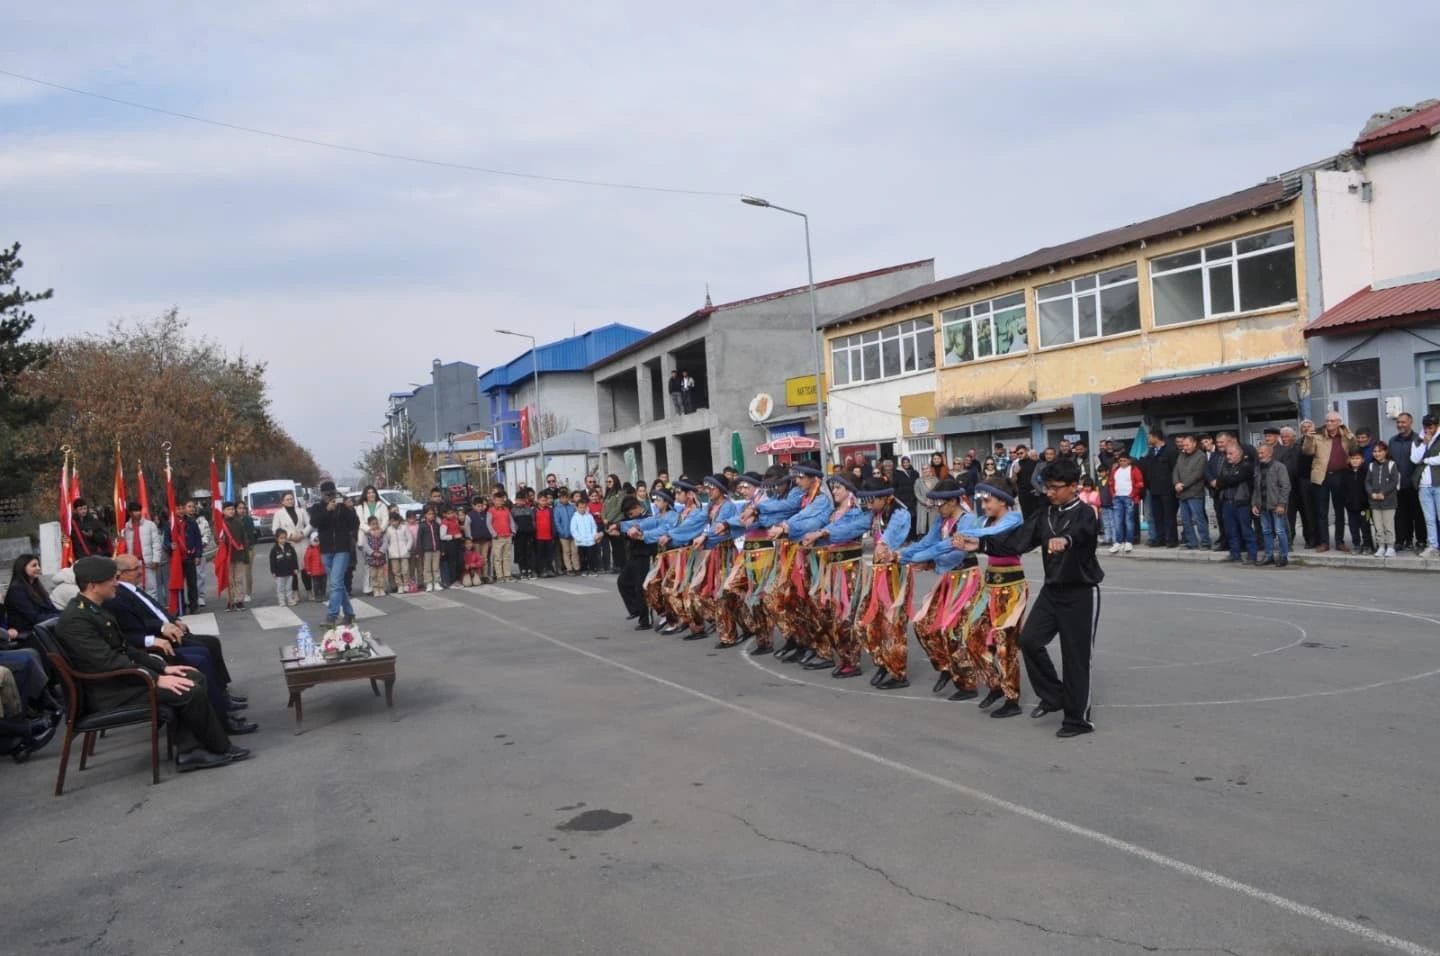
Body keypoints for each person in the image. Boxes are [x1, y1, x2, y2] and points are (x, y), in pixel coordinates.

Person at [56, 556, 247, 771]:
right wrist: (156, 679)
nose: (116, 583)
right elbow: (109, 662)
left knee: (193, 676)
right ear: (93, 585)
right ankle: (207, 749)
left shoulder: (94, 609)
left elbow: (126, 648)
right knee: (188, 689)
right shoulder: (77, 619)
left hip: (123, 681)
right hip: (110, 691)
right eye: (111, 579)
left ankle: (193, 748)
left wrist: (163, 668)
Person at [959, 457, 1103, 738]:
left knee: (1075, 657)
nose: (1049, 492)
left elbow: (1083, 533)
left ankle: (1077, 719)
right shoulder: (1045, 513)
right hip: (1052, 591)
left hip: (1079, 592)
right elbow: (1018, 540)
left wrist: (1066, 541)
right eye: (1046, 487)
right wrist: (981, 544)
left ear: (1073, 486)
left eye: (1055, 487)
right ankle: (1053, 696)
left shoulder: (1084, 512)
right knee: (1030, 641)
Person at [106, 554, 256, 735]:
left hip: (163, 635)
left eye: (140, 567)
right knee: (201, 655)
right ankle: (221, 716)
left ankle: (221, 696)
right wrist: (160, 631)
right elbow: (135, 628)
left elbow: (156, 611)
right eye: (135, 569)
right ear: (120, 574)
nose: (140, 572)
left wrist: (173, 620)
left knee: (211, 644)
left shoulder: (133, 590)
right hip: (154, 646)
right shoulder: (117, 597)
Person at [900, 478, 994, 699]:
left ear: (953, 501)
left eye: (940, 504)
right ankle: (947, 667)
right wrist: (903, 554)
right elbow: (928, 543)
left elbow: (955, 552)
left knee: (953, 631)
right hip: (947, 580)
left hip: (965, 580)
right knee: (923, 625)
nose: (937, 508)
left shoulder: (967, 520)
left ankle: (967, 684)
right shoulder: (941, 521)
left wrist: (927, 559)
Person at [958, 484, 1028, 718]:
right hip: (990, 587)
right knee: (971, 635)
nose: (985, 506)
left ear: (1003, 501)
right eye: (983, 502)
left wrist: (972, 538)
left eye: (989, 501)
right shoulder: (985, 522)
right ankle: (995, 684)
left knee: (1004, 644)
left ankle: (1012, 699)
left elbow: (989, 539)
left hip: (1010, 588)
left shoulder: (1014, 520)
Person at [799, 474, 870, 677]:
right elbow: (815, 525)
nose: (835, 491)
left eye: (839, 488)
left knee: (844, 615)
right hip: (829, 569)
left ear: (850, 490)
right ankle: (830, 652)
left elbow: (846, 530)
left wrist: (822, 534)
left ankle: (851, 660)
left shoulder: (858, 513)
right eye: (833, 488)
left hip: (848, 570)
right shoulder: (832, 512)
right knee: (823, 610)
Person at [766, 465, 834, 664]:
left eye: (801, 478)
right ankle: (805, 642)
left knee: (815, 605)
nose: (797, 481)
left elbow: (811, 522)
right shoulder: (805, 497)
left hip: (817, 557)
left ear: (813, 478)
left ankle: (823, 650)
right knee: (796, 602)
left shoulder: (821, 499)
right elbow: (797, 516)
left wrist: (786, 526)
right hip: (801, 555)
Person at [850, 478, 912, 688]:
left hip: (895, 571)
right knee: (865, 621)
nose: (868, 504)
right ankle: (883, 662)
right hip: (878, 571)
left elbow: (890, 536)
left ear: (884, 497)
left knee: (892, 624)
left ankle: (897, 672)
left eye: (871, 500)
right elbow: (858, 525)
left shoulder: (900, 513)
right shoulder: (876, 513)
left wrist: (883, 544)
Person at [1302, 412, 1358, 552]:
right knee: (1322, 512)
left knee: (1339, 511)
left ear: (1339, 422)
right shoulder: (1318, 435)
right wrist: (1308, 438)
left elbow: (1354, 447)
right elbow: (1307, 452)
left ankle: (1339, 541)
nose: (1329, 423)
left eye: (1333, 421)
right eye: (1327, 421)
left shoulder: (1345, 436)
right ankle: (1324, 542)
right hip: (1322, 476)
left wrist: (1347, 431)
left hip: (1341, 476)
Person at [309, 480, 358, 626]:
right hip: (326, 550)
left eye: (332, 493)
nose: (330, 497)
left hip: (342, 549)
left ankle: (332, 616)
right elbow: (315, 523)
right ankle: (349, 614)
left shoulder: (342, 506)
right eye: (327, 494)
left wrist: (348, 509)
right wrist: (327, 510)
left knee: (335, 583)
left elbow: (355, 524)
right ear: (322, 495)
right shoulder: (317, 507)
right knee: (338, 584)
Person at [1389, 412, 1427, 553]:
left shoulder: (1419, 439)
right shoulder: (1393, 441)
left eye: (1403, 422)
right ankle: (1402, 540)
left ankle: (1421, 541)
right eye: (1398, 422)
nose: (1400, 425)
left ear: (1410, 422)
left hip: (1415, 484)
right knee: (1400, 515)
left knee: (1417, 514)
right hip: (1398, 485)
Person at [1252, 443, 1291, 567]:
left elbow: (1286, 486)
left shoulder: (1279, 467)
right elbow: (1255, 489)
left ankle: (1283, 556)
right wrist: (1254, 504)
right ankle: (1268, 556)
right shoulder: (1257, 468)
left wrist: (1282, 504)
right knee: (1266, 531)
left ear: (1270, 453)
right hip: (1262, 506)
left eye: (1262, 453)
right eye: (1258, 453)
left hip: (1276, 505)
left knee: (1280, 531)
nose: (1260, 455)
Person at [1218, 443, 1257, 563]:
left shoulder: (1246, 466)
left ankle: (1252, 556)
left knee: (1246, 530)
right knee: (1230, 530)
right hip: (1227, 503)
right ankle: (1234, 554)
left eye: (1231, 454)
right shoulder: (1227, 466)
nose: (1228, 457)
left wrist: (1226, 479)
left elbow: (1234, 479)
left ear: (1239, 454)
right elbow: (1220, 480)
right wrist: (1226, 479)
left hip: (1242, 503)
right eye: (1227, 454)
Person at [1172, 434, 1211, 550]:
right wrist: (1176, 483)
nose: (1185, 447)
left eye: (1187, 445)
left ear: (1194, 443)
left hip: (1195, 493)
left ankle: (1205, 542)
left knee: (1199, 519)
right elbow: (1176, 470)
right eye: (1183, 445)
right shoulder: (1181, 455)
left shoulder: (1201, 456)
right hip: (1181, 493)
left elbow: (1197, 474)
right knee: (1185, 520)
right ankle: (1191, 542)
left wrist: (1183, 484)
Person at [1409, 414, 1440, 558]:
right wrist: (1425, 444)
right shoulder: (1418, 440)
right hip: (1423, 485)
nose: (1429, 429)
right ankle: (1433, 545)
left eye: (1432, 426)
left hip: (1438, 483)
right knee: (1429, 518)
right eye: (1426, 426)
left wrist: (1426, 459)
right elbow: (1415, 459)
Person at [1141, 430, 1179, 547]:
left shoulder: (1170, 450)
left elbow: (1175, 470)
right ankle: (1160, 538)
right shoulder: (1151, 452)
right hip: (1154, 489)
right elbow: (1147, 468)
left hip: (1168, 490)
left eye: (1149, 437)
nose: (1148, 439)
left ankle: (1171, 539)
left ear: (1156, 437)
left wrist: (1174, 485)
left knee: (1169, 516)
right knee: (1157, 516)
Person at [5, 554, 61, 632]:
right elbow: (34, 617)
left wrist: (66, 614)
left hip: (43, 628)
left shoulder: (37, 587)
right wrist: (61, 617)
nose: (38, 568)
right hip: (28, 633)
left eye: (38, 565)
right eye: (34, 565)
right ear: (22, 568)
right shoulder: (16, 590)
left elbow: (51, 609)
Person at [119, 502, 164, 599]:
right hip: (133, 564)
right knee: (136, 590)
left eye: (139, 510)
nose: (138, 513)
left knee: (151, 589)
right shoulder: (126, 528)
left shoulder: (150, 525)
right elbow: (123, 546)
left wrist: (156, 559)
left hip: (148, 562)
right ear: (130, 513)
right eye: (135, 511)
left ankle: (153, 611)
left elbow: (156, 544)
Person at [1366, 440, 1401, 558]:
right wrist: (1372, 493)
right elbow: (1367, 482)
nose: (1376, 454)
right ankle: (1381, 546)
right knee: (1378, 525)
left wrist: (1383, 493)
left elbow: (1394, 481)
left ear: (1385, 452)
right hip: (1374, 502)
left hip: (1389, 502)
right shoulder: (1371, 465)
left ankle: (1390, 547)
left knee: (1388, 525)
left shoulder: (1392, 464)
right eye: (1374, 451)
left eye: (1379, 451)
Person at [1106, 451, 1144, 555]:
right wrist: (1113, 494)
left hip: (1129, 497)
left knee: (1129, 521)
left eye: (1124, 460)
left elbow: (1139, 484)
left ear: (1129, 461)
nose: (1122, 462)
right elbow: (1111, 483)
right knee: (1118, 521)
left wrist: (1132, 495)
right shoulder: (1116, 470)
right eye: (1120, 461)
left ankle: (1129, 541)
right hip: (1117, 497)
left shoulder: (1134, 470)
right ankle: (1118, 541)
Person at [1338, 449, 1375, 555]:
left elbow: (1370, 488)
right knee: (1353, 526)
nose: (1355, 461)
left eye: (1357, 458)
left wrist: (1368, 502)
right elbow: (1342, 489)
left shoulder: (1366, 472)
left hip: (1365, 507)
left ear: (1363, 460)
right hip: (1350, 506)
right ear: (1348, 460)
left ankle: (1367, 545)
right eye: (1352, 458)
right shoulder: (1345, 473)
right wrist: (1346, 501)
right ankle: (1356, 545)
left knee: (1365, 526)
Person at [225, 501, 256, 610]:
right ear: (224, 511)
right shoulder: (222, 524)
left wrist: (246, 555)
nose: (231, 511)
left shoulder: (238, 523)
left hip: (238, 555)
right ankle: (231, 600)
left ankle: (239, 600)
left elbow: (244, 539)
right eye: (228, 509)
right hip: (227, 556)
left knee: (239, 578)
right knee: (229, 579)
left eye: (232, 509)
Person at [486, 491, 515, 581]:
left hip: (507, 536)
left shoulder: (506, 510)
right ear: (493, 501)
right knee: (497, 557)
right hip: (497, 537)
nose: (499, 502)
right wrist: (494, 534)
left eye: (501, 500)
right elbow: (488, 523)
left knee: (507, 556)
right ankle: (499, 575)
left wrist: (513, 531)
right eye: (497, 500)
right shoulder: (491, 511)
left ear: (503, 501)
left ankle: (507, 574)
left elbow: (511, 521)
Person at [570, 492, 601, 574]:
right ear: (577, 508)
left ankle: (591, 569)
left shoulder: (589, 516)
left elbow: (594, 526)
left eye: (584, 507)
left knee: (591, 556)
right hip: (581, 542)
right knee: (582, 557)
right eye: (580, 507)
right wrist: (578, 538)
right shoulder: (575, 518)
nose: (582, 509)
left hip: (590, 541)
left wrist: (594, 535)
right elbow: (573, 529)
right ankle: (583, 570)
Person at [415, 506, 444, 592]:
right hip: (427, 550)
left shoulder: (437, 525)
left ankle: (436, 582)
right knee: (427, 568)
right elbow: (419, 539)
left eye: (432, 514)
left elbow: (440, 538)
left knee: (436, 567)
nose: (431, 516)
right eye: (429, 514)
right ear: (425, 515)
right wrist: (419, 552)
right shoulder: (422, 526)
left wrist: (442, 549)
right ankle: (428, 583)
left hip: (436, 550)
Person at [601, 474, 626, 573]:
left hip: (617, 521)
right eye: (607, 482)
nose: (608, 484)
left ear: (615, 481)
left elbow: (618, 508)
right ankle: (616, 565)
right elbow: (603, 508)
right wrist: (604, 518)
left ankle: (621, 565)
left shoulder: (620, 493)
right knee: (614, 546)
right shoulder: (608, 494)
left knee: (619, 545)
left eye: (610, 482)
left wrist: (609, 519)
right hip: (608, 522)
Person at [466, 496, 493, 584]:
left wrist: (490, 539)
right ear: (473, 506)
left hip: (485, 540)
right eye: (478, 506)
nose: (480, 508)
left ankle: (485, 575)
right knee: (477, 559)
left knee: (484, 559)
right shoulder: (470, 515)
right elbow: (467, 528)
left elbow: (489, 526)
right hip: (475, 541)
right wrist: (470, 539)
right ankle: (478, 575)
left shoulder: (486, 514)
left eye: (481, 506)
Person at [383, 513, 413, 591]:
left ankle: (406, 584)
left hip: (404, 553)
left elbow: (410, 539)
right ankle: (400, 585)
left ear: (398, 520)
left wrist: (407, 548)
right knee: (396, 571)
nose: (394, 523)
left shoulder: (404, 528)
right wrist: (390, 550)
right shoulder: (388, 530)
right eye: (391, 521)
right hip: (393, 554)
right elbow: (386, 541)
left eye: (395, 521)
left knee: (405, 570)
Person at [270, 529, 300, 606]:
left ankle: (290, 600)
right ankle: (281, 601)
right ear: (277, 538)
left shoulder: (290, 547)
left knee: (289, 587)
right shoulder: (274, 550)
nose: (283, 540)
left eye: (284, 538)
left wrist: (295, 568)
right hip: (279, 573)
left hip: (289, 572)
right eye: (281, 538)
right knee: (280, 588)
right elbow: (272, 561)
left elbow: (294, 558)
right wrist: (273, 571)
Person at [511, 491, 536, 579]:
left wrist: (532, 528)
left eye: (522, 500)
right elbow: (512, 522)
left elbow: (533, 520)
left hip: (528, 534)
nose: (520, 502)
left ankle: (529, 569)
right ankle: (522, 570)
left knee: (528, 552)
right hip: (519, 535)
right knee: (520, 553)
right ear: (516, 500)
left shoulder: (528, 509)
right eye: (519, 500)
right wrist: (516, 530)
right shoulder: (513, 510)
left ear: (525, 500)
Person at [553, 489, 578, 576]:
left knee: (574, 551)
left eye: (566, 498)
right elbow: (557, 522)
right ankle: (569, 568)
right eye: (562, 498)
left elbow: (576, 519)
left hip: (573, 533)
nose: (564, 500)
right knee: (566, 551)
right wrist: (562, 532)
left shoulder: (572, 507)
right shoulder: (557, 509)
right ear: (559, 499)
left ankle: (576, 567)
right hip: (563, 534)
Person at [362, 517, 388, 596]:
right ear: (369, 525)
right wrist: (372, 552)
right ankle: (375, 589)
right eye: (373, 524)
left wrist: (381, 551)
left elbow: (385, 543)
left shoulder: (382, 534)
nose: (375, 525)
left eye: (376, 523)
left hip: (380, 557)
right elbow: (365, 545)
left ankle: (381, 588)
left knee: (381, 574)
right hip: (372, 558)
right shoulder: (367, 534)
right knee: (373, 575)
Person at [533, 492, 557, 578]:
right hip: (538, 537)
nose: (544, 502)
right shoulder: (534, 510)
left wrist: (553, 533)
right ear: (538, 500)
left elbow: (553, 522)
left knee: (549, 554)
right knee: (540, 555)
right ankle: (540, 570)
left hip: (549, 536)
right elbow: (533, 523)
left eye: (545, 500)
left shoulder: (550, 510)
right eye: (542, 500)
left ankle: (549, 569)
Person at [303, 531, 327, 600]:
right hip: (315, 571)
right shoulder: (310, 550)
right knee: (316, 584)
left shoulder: (323, 548)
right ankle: (317, 595)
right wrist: (308, 570)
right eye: (315, 540)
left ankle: (323, 594)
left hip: (323, 570)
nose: (317, 542)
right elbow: (306, 560)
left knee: (323, 583)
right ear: (311, 541)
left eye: (319, 540)